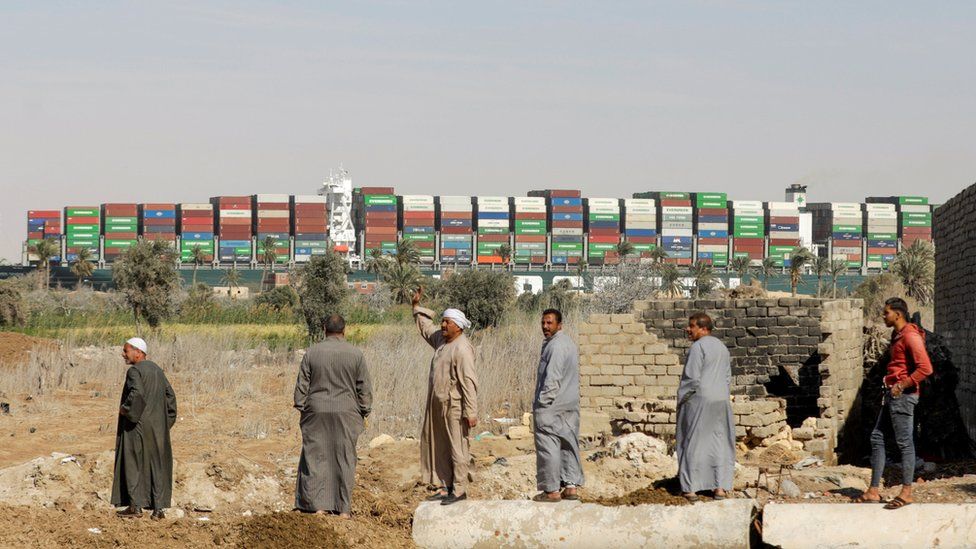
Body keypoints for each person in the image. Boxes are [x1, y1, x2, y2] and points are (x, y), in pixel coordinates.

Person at [853, 297, 933, 509]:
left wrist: (902, 385)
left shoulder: (910, 336)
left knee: (905, 444)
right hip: (893, 395)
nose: (883, 316)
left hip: (903, 397)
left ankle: (906, 492)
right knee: (877, 438)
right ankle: (873, 490)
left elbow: (925, 368)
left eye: (886, 312)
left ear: (898, 314)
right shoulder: (898, 335)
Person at [293, 314, 373, 518]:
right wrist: (364, 410)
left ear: (323, 329)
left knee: (316, 456)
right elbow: (363, 387)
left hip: (316, 410)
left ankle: (318, 506)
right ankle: (343, 509)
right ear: (344, 330)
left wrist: (303, 407)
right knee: (344, 458)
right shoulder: (355, 354)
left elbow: (302, 385)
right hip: (346, 412)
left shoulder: (312, 352)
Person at [412, 287, 479, 505]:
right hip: (437, 405)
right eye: (442, 321)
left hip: (455, 407)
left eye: (446, 322)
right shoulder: (442, 341)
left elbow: (469, 382)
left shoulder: (462, 348)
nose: (442, 325)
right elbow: (426, 328)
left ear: (458, 326)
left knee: (457, 448)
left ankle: (459, 489)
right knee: (439, 445)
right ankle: (444, 485)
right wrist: (416, 307)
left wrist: (471, 412)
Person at [111, 337, 177, 520]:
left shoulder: (134, 371)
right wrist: (164, 423)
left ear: (138, 352)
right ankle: (158, 511)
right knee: (157, 465)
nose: (123, 354)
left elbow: (137, 393)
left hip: (137, 425)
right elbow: (170, 397)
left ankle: (135, 508)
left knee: (133, 464)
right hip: (157, 428)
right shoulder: (157, 370)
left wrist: (126, 410)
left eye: (126, 351)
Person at [675, 313, 735, 502]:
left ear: (703, 328)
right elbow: (727, 377)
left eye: (691, 326)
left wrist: (681, 399)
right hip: (721, 400)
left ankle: (691, 488)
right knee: (719, 442)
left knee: (693, 441)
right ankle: (719, 487)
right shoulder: (722, 347)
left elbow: (692, 378)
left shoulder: (697, 347)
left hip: (700, 400)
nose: (688, 330)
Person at [532, 308, 585, 503]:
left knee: (548, 446)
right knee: (568, 444)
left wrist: (542, 404)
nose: (545, 327)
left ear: (559, 325)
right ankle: (570, 487)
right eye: (543, 323)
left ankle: (552, 490)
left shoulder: (555, 347)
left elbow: (552, 380)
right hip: (569, 405)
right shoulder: (568, 343)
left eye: (549, 323)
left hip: (552, 406)